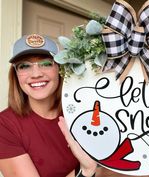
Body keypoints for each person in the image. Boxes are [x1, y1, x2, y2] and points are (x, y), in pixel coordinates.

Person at [0, 34, 97, 177]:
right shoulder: (5, 125)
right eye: (24, 66)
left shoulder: (85, 113)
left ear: (59, 69)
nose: (36, 74)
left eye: (46, 63)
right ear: (15, 74)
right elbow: (94, 169)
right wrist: (86, 171)